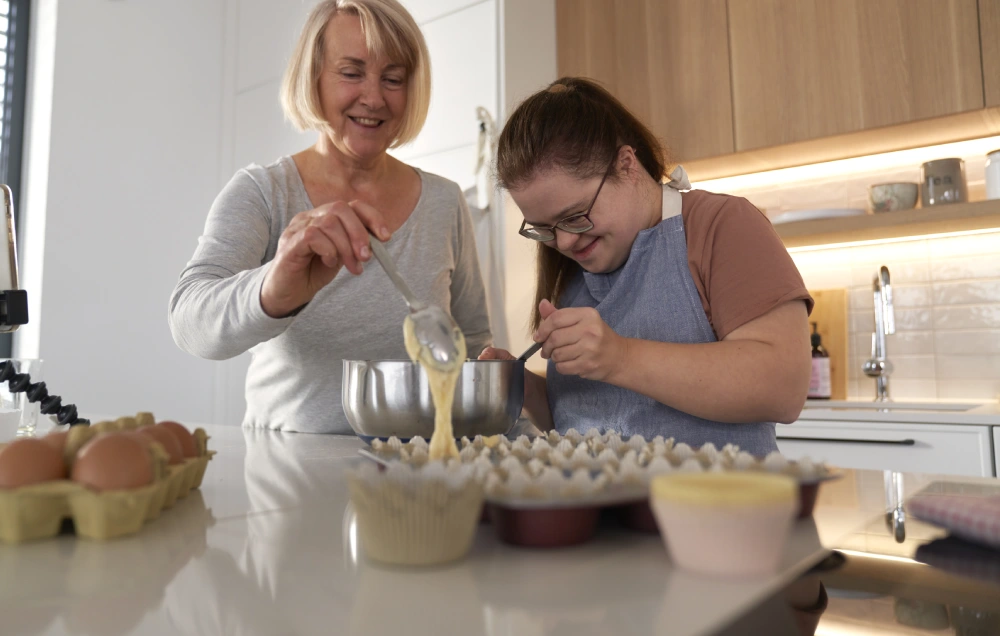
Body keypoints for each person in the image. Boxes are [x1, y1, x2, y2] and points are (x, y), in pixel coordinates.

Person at [169, 0, 491, 434]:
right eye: (351, 72)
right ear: (313, 76)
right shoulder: (263, 193)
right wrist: (274, 288)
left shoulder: (444, 203)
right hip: (287, 483)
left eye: (393, 78)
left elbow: (472, 347)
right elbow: (189, 323)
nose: (374, 97)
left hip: (414, 483)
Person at [480, 78, 812, 456]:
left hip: (719, 509)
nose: (566, 242)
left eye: (576, 216)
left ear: (626, 164)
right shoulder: (571, 266)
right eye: (544, 229)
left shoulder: (723, 225)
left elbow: (782, 387)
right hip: (596, 510)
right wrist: (519, 387)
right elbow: (581, 418)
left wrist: (619, 357)